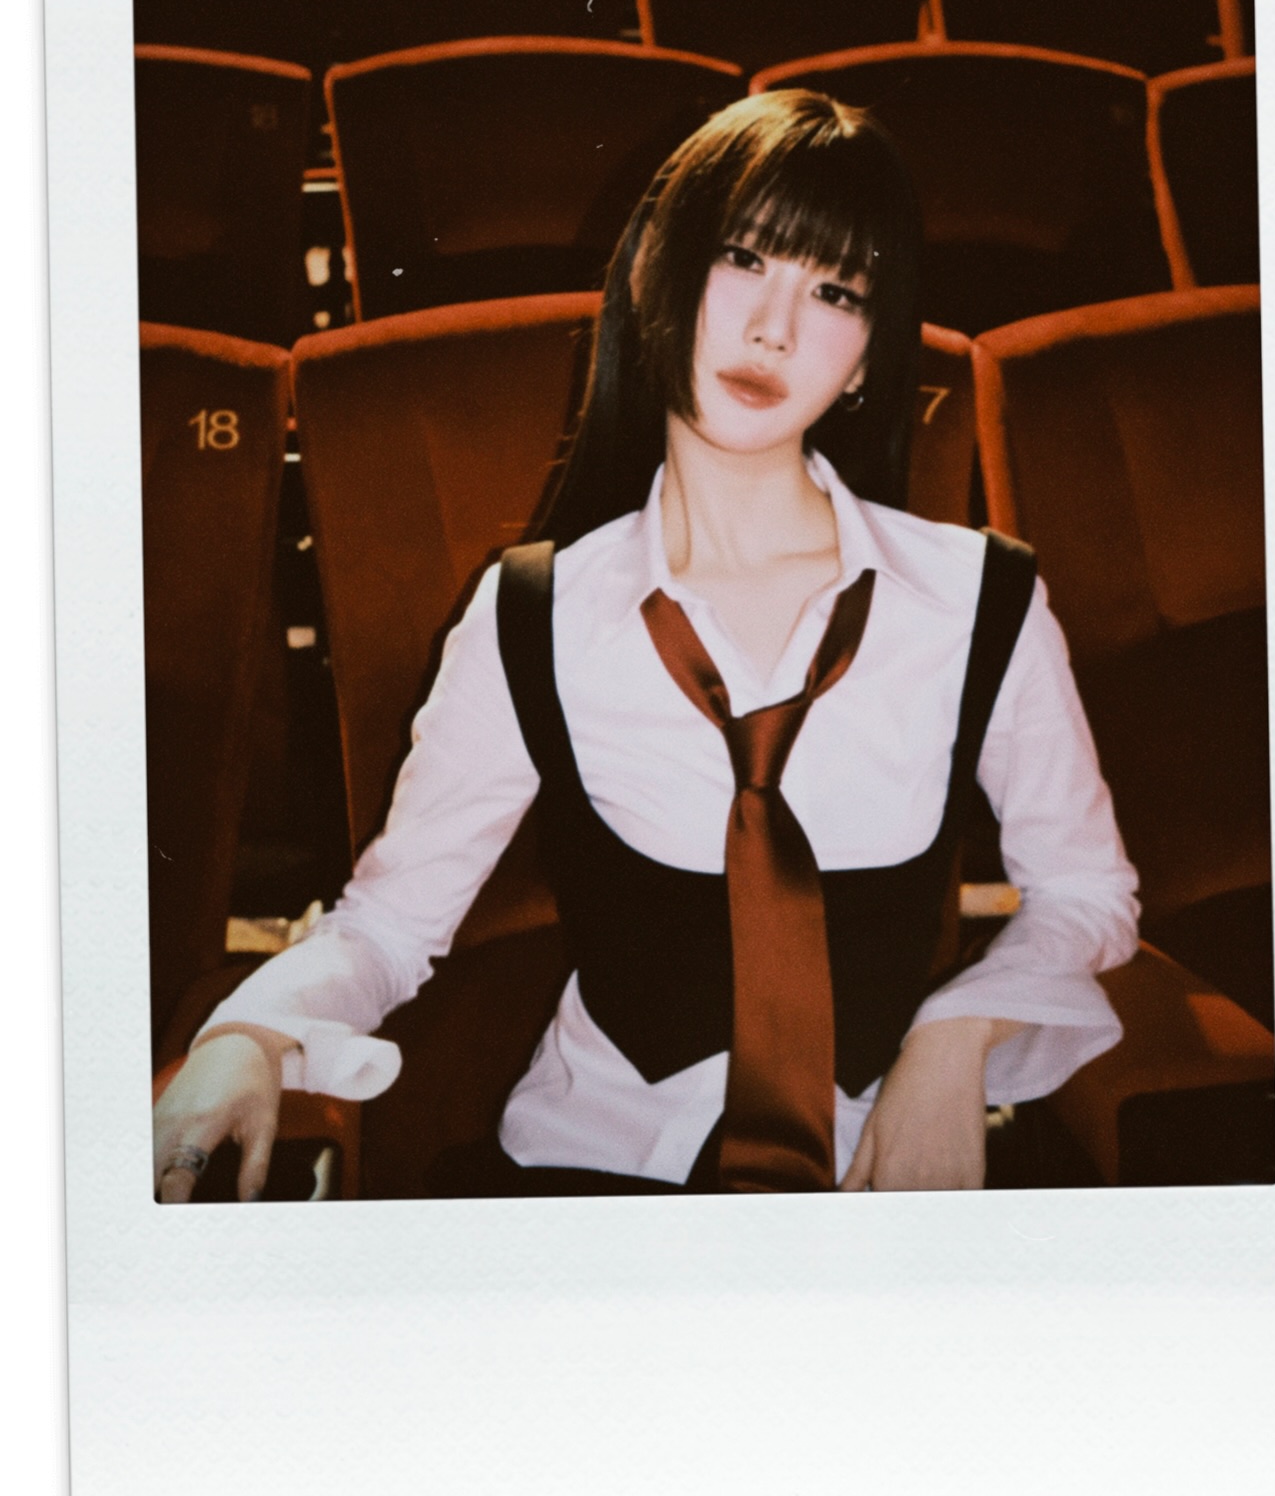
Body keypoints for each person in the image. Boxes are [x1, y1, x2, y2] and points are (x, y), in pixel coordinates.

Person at [153, 90, 1139, 1201]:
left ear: (868, 358)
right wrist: (246, 1034)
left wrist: (957, 1033)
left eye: (835, 292)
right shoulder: (533, 615)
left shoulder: (979, 599)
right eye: (742, 259)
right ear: (650, 278)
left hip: (886, 1181)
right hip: (595, 1171)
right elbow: (389, 924)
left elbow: (1087, 894)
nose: (774, 329)